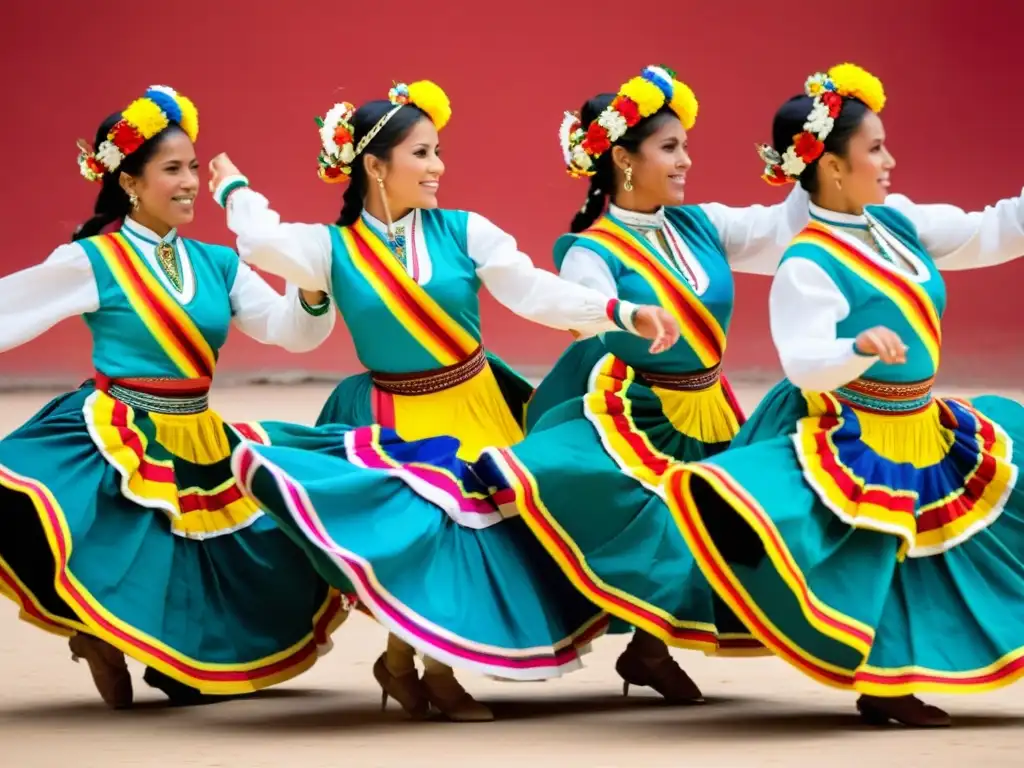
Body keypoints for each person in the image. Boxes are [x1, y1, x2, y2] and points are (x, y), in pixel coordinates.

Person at [209, 79, 678, 721]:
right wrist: (235, 190)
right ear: (375, 166)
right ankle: (431, 670)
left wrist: (618, 310)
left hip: (477, 402)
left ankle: (405, 664)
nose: (438, 167)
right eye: (422, 155)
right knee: (423, 535)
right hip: (391, 413)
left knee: (483, 539)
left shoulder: (466, 231)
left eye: (438, 152)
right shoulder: (332, 248)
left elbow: (532, 292)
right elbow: (263, 244)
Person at [662, 63, 1024, 727]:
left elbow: (995, 230)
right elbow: (803, 362)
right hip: (859, 428)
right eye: (875, 149)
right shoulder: (808, 261)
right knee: (877, 556)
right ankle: (885, 684)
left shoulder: (898, 225)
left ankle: (900, 677)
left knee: (927, 551)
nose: (890, 160)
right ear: (830, 165)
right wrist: (856, 350)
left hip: (921, 422)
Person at [0, 84, 350, 709]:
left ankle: (169, 664)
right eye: (172, 169)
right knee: (85, 530)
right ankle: (91, 630)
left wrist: (311, 286)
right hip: (117, 432)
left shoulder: (218, 265)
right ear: (130, 182)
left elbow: (290, 333)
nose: (190, 181)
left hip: (198, 435)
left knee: (219, 612)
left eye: (193, 167)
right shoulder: (93, 260)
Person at [474, 65, 809, 703]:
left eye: (684, 145)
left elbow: (784, 224)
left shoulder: (703, 225)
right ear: (624, 159)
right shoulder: (592, 250)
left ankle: (648, 652)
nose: (687, 159)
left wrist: (809, 149)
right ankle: (630, 645)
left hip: (711, 408)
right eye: (670, 147)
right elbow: (581, 309)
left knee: (716, 530)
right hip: (641, 411)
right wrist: (621, 316)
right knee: (665, 530)